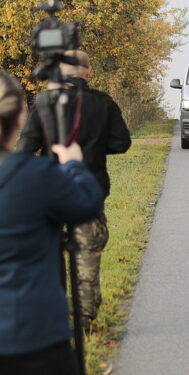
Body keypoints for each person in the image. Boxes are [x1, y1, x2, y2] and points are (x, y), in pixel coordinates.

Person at [19, 50, 132, 331]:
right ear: (86, 72)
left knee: (49, 257)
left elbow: (24, 147)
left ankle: (54, 318)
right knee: (86, 256)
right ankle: (85, 322)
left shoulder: (44, 103)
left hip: (50, 193)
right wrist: (93, 146)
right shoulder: (103, 104)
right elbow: (121, 144)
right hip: (89, 192)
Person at [0, 71, 103, 374]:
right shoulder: (35, 175)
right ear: (20, 115)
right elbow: (86, 203)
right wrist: (73, 163)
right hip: (34, 335)